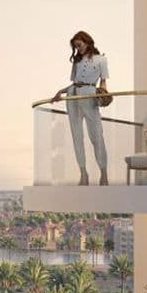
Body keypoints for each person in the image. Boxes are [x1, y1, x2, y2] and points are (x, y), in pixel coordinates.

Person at [56, 31, 111, 187]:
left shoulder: (102, 60)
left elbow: (103, 82)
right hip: (73, 95)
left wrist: (102, 95)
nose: (77, 49)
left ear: (87, 42)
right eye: (75, 47)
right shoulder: (77, 62)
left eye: (79, 45)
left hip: (90, 94)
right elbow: (75, 83)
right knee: (76, 134)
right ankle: (83, 174)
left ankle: (104, 173)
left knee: (97, 135)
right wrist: (61, 91)